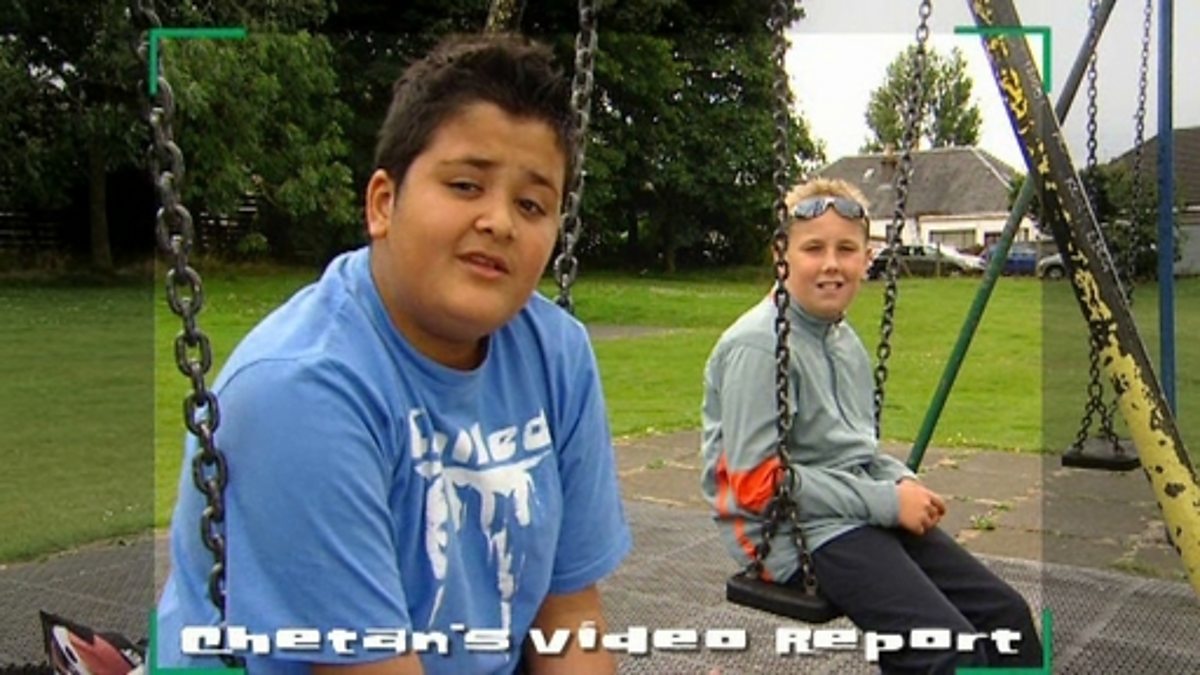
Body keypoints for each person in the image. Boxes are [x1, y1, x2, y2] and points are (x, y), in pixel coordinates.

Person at [157, 33, 631, 675]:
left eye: (531, 204)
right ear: (383, 204)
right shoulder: (301, 391)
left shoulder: (557, 355)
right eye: (465, 185)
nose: (500, 222)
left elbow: (569, 614)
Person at [700, 178, 1042, 673]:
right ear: (782, 255)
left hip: (850, 512)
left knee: (1005, 617)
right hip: (788, 535)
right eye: (813, 248)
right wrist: (887, 502)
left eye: (846, 249)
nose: (831, 264)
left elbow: (853, 450)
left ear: (867, 258)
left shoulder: (843, 341)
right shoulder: (758, 347)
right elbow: (755, 485)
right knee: (945, 648)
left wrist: (898, 479)